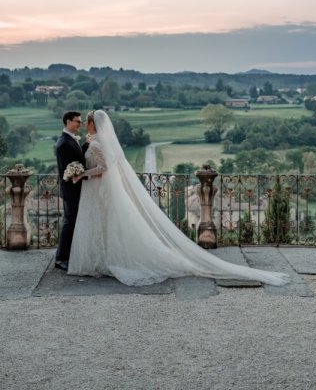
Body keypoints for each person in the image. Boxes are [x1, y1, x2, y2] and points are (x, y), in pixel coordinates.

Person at [66, 109, 288, 286]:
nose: (85, 124)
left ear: (92, 123)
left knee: (102, 223)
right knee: (103, 224)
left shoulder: (96, 144)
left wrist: (82, 174)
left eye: (86, 121)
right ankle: (103, 258)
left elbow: (104, 167)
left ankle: (103, 260)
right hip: (97, 191)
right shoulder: (96, 141)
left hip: (97, 189)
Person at [53, 110, 86, 271]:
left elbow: (78, 157)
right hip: (71, 189)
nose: (80, 124)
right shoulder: (63, 143)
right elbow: (71, 168)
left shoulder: (70, 140)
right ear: (68, 122)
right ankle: (61, 259)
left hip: (74, 189)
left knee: (71, 222)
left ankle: (68, 255)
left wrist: (86, 145)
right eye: (77, 121)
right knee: (69, 223)